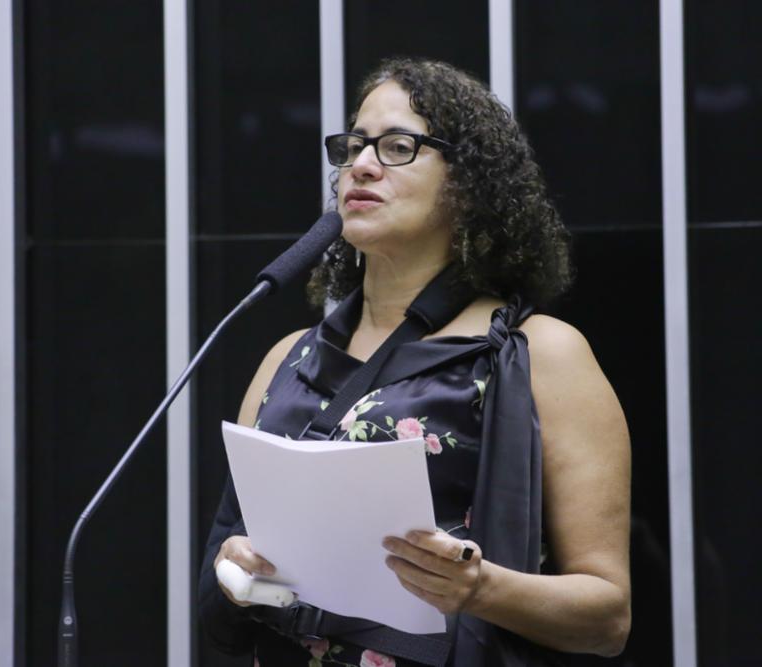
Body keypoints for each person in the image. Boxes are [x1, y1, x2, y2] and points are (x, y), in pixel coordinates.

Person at [199, 58, 631, 666]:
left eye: (399, 146)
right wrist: (235, 576)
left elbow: (607, 618)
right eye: (353, 146)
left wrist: (481, 589)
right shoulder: (284, 361)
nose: (362, 165)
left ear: (468, 186)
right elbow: (213, 612)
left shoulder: (542, 353)